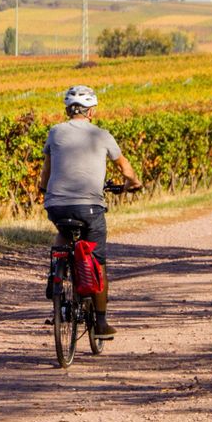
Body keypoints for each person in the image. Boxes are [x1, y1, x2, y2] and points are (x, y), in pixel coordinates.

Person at [39, 85, 142, 337]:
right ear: (91, 111)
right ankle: (101, 322)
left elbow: (46, 170)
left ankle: (56, 274)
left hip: (56, 204)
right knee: (97, 261)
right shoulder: (101, 135)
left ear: (67, 110)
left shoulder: (55, 132)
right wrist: (133, 183)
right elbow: (124, 166)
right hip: (90, 207)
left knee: (64, 231)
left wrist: (43, 189)